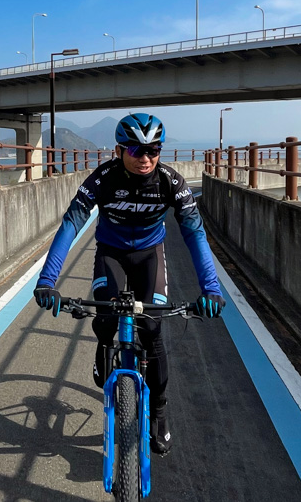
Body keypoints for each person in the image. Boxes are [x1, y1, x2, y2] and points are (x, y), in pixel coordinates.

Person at [32, 112, 225, 455]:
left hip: (150, 255)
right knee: (106, 318)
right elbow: (71, 224)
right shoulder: (103, 178)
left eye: (153, 150)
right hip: (112, 253)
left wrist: (211, 289)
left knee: (151, 330)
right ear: (119, 150)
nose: (145, 158)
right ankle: (102, 346)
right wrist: (48, 281)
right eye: (136, 150)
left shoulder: (170, 182)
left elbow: (195, 234)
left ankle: (160, 412)